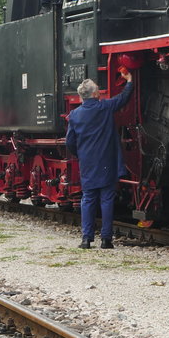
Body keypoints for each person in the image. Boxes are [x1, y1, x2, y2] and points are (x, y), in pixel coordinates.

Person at [65, 68, 134, 249]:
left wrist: (81, 154)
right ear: (95, 94)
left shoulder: (75, 115)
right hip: (106, 161)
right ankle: (106, 239)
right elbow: (123, 99)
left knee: (88, 198)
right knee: (107, 199)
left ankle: (86, 239)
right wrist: (129, 81)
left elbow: (70, 142)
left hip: (87, 162)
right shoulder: (104, 107)